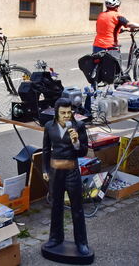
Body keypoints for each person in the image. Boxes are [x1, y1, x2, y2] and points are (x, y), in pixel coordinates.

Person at [42, 99, 91, 256]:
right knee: (56, 206)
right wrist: (45, 169)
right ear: (56, 112)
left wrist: (76, 142)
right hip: (56, 171)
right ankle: (55, 238)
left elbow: (83, 152)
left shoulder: (79, 126)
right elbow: (45, 150)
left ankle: (81, 242)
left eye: (69, 112)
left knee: (77, 207)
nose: (66, 115)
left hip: (71, 170)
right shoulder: (49, 126)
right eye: (63, 113)